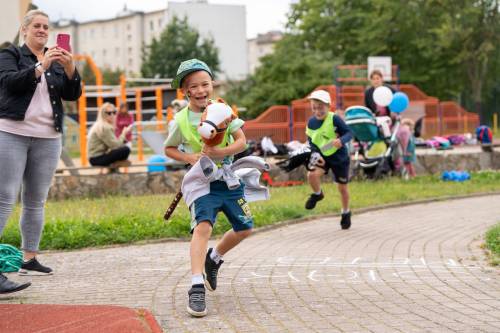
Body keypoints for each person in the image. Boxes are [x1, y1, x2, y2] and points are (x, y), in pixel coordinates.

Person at [0, 9, 81, 293]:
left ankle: (29, 258)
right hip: (12, 133)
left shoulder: (56, 60)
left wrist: (70, 69)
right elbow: (10, 83)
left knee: (36, 200)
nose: (42, 30)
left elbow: (72, 94)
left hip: (48, 138)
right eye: (36, 26)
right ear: (24, 30)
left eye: (46, 27)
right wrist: (40, 65)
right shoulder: (10, 55)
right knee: (5, 198)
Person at [164, 59, 251, 317]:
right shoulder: (179, 120)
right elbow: (168, 149)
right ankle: (196, 285)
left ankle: (214, 258)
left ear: (212, 84)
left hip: (228, 180)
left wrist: (219, 152)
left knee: (245, 229)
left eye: (205, 84)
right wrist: (190, 158)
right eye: (194, 86)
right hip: (201, 183)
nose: (201, 90)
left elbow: (242, 142)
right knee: (203, 226)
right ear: (185, 91)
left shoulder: (223, 110)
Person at [305, 90, 353, 230]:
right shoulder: (311, 122)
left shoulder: (334, 118)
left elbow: (349, 132)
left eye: (321, 107)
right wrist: (314, 152)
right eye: (314, 107)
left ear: (328, 106)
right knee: (311, 175)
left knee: (342, 188)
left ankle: (345, 212)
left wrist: (341, 140)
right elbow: (310, 141)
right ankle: (317, 194)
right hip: (322, 157)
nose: (318, 111)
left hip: (339, 158)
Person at [88, 102, 132, 170]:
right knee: (126, 149)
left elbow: (112, 145)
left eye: (114, 112)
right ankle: (115, 164)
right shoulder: (105, 127)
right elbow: (116, 145)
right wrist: (123, 133)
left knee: (123, 149)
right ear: (103, 114)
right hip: (97, 159)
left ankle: (115, 164)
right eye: (109, 113)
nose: (112, 115)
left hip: (95, 158)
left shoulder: (101, 125)